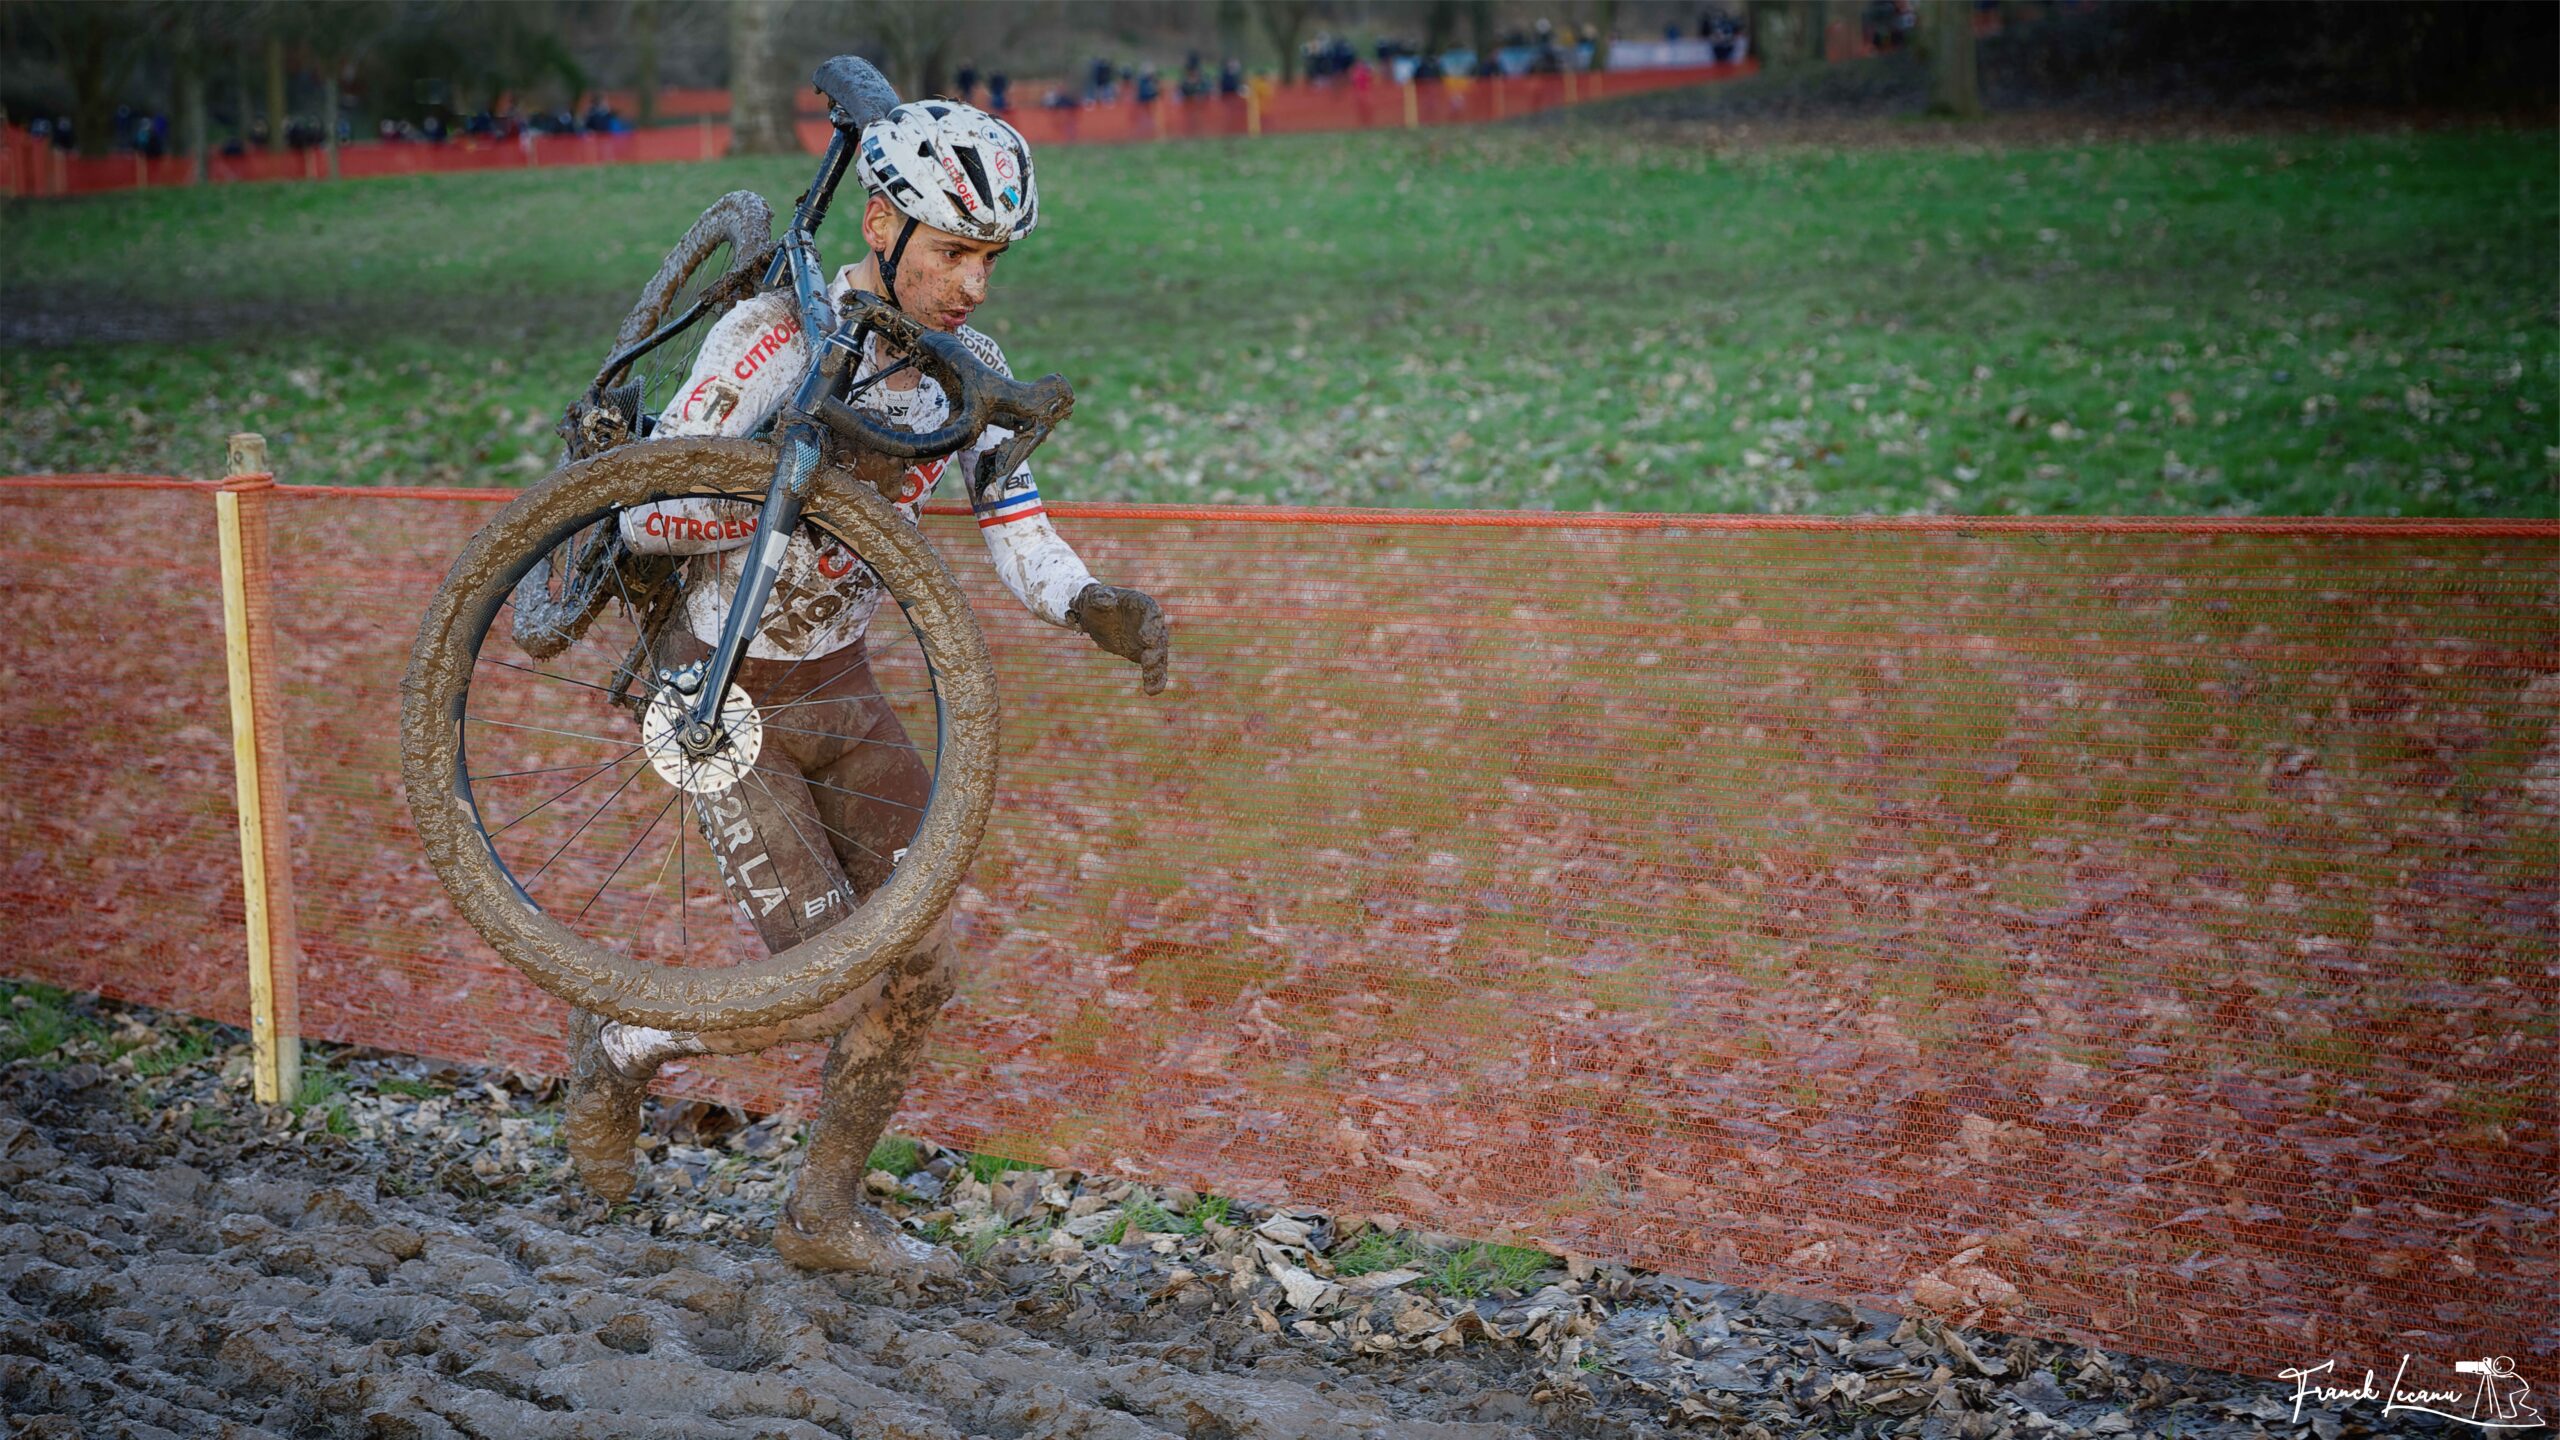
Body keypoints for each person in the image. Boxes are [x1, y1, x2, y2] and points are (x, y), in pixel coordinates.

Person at [564, 100, 1171, 1279]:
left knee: (921, 964)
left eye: (990, 260)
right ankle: (623, 1042)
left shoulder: (966, 373)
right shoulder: (768, 340)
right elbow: (643, 512)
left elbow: (1016, 524)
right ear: (882, 226)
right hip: (721, 693)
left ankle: (823, 1212)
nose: (973, 286)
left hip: (841, 689)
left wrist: (1091, 603)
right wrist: (804, 485)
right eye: (952, 253)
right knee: (820, 984)